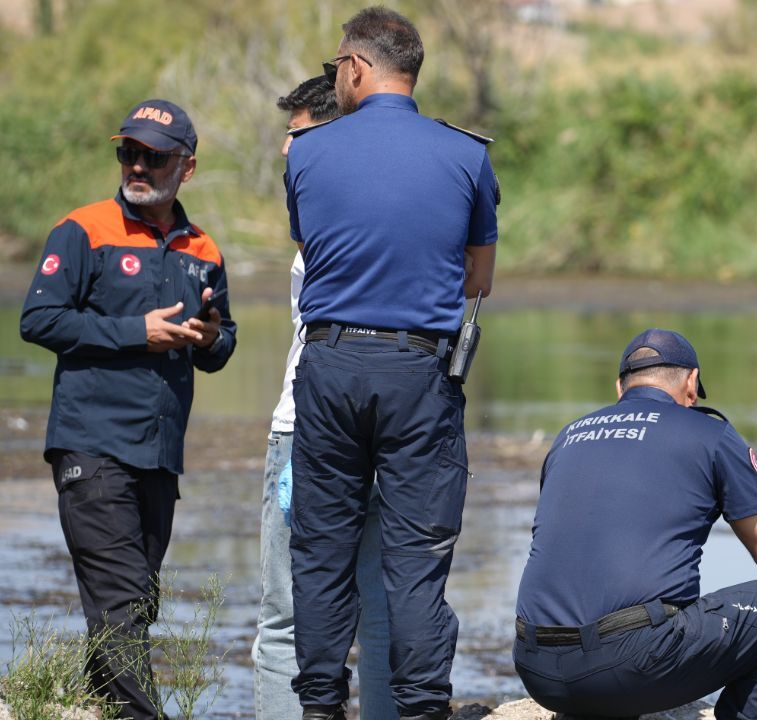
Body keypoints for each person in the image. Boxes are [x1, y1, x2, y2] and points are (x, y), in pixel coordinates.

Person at [284, 7, 499, 720]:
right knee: (416, 560)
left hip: (331, 364)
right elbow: (478, 278)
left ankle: (320, 708)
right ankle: (423, 709)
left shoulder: (307, 153)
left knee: (321, 551)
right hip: (419, 373)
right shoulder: (467, 156)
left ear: (354, 67)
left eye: (336, 69)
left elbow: (316, 251)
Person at [19, 99, 235, 719]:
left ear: (186, 167)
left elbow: (222, 344)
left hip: (159, 455)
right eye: (128, 153)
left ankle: (95, 709)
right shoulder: (82, 229)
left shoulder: (204, 249)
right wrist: (135, 332)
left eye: (153, 157)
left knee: (132, 607)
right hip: (90, 445)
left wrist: (210, 338)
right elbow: (39, 319)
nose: (137, 166)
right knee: (121, 603)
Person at [513, 328, 757, 720]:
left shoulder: (568, 435)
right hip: (624, 666)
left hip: (537, 669)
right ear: (691, 383)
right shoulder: (710, 434)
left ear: (620, 387)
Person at [253, 75, 396, 720]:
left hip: (308, 429)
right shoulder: (389, 207)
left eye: (299, 135)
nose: (287, 149)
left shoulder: (326, 209)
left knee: (291, 615)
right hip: (384, 423)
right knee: (380, 613)